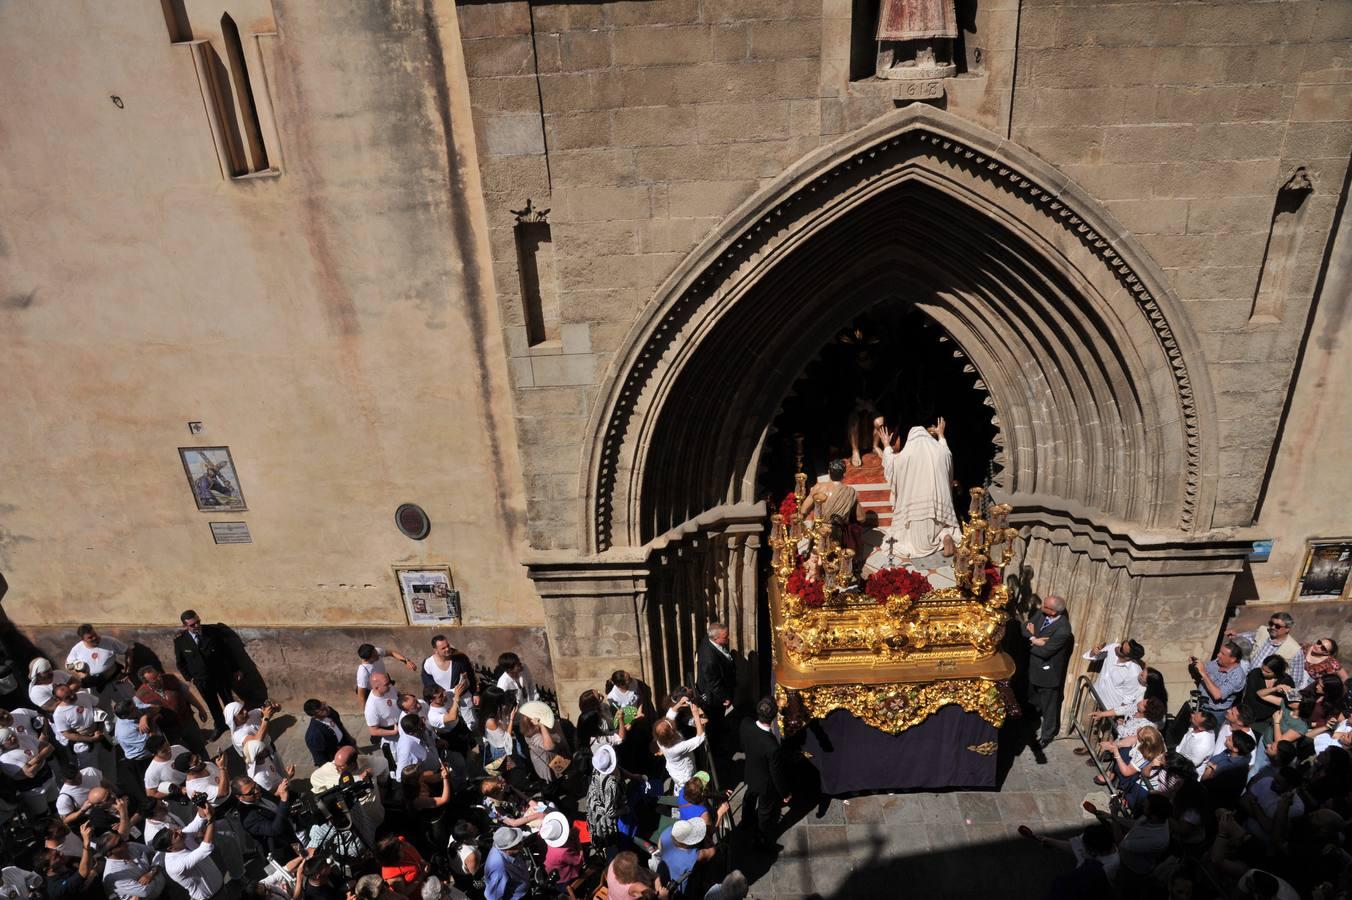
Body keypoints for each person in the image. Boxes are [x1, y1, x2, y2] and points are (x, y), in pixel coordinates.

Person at [879, 421, 961, 558]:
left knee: (909, 540)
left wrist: (886, 445)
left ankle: (940, 537)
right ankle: (945, 535)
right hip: (938, 513)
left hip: (916, 520)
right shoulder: (941, 453)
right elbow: (947, 453)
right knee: (943, 528)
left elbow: (891, 464)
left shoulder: (905, 456)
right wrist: (941, 436)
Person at [172, 610, 243, 741]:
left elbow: (227, 652)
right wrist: (190, 678)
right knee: (212, 704)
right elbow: (180, 663)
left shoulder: (212, 632)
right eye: (192, 625)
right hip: (202, 680)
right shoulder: (180, 641)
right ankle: (220, 725)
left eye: (198, 622)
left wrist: (235, 669)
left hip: (220, 675)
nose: (197, 626)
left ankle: (236, 722)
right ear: (185, 626)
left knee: (228, 700)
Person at [739, 697, 789, 850]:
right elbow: (776, 773)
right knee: (765, 813)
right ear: (773, 717)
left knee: (749, 796)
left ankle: (746, 822)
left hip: (749, 772)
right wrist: (785, 793)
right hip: (765, 783)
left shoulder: (745, 724)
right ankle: (761, 839)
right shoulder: (772, 745)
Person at [1024, 594, 1072, 748]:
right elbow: (1025, 626)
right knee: (1032, 699)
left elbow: (1045, 652)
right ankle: (1030, 724)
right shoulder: (1041, 613)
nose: (1041, 607)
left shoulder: (1063, 630)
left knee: (1049, 706)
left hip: (1049, 675)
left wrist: (1031, 640)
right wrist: (1034, 639)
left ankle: (1047, 735)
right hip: (1033, 669)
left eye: (1045, 606)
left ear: (1053, 612)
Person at [134, 664, 208, 752]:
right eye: (155, 680)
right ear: (146, 683)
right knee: (183, 753)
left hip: (188, 721)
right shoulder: (140, 696)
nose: (159, 679)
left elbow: (187, 694)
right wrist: (143, 717)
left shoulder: (171, 678)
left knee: (199, 746)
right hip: (170, 730)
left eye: (158, 675)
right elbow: (139, 714)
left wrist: (201, 709)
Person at [157, 805, 223, 900]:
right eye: (176, 835)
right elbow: (206, 848)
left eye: (175, 830)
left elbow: (198, 820)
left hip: (220, 886)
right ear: (170, 847)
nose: (180, 831)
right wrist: (211, 820)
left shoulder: (182, 837)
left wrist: (201, 804)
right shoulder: (174, 866)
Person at [695, 622, 735, 777]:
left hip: (715, 687)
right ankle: (714, 752)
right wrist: (725, 698)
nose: (728, 638)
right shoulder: (709, 659)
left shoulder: (708, 639)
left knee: (718, 723)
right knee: (714, 723)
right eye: (725, 636)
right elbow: (714, 684)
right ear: (716, 638)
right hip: (713, 698)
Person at [799, 459, 861, 553]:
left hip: (818, 532)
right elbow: (861, 518)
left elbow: (803, 510)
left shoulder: (818, 487)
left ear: (829, 472)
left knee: (816, 560)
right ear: (844, 474)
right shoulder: (851, 492)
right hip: (837, 535)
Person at [422, 636, 478, 730]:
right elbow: (429, 686)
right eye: (443, 648)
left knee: (472, 723)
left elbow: (471, 675)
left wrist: (475, 693)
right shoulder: (428, 664)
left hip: (464, 696)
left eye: (447, 645)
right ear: (435, 650)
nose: (447, 649)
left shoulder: (460, 658)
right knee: (454, 723)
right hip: (445, 701)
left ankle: (480, 741)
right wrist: (438, 700)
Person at [0, 724, 56, 816]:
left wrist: (34, 761)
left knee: (56, 806)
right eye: (8, 739)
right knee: (43, 815)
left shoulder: (24, 738)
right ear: (3, 744)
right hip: (33, 791)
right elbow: (30, 773)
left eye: (12, 735)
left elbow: (49, 747)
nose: (13, 738)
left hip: (49, 778)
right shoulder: (5, 758)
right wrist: (42, 755)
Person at [233, 775, 296, 857]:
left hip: (291, 837)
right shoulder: (248, 818)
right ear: (239, 797)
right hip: (280, 852)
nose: (256, 791)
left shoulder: (258, 790)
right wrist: (283, 801)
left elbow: (273, 801)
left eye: (255, 785)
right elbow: (275, 830)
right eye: (251, 792)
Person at [65, 624, 130, 697]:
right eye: (90, 637)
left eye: (94, 634)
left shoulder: (109, 641)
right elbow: (68, 665)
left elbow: (128, 651)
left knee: (130, 702)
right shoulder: (77, 649)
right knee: (102, 707)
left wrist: (127, 671)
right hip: (94, 686)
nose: (94, 638)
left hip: (116, 680)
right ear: (83, 639)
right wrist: (79, 674)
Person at [655, 697, 706, 788]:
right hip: (685, 774)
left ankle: (678, 792)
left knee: (679, 787)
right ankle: (689, 799)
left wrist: (679, 704)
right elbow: (700, 738)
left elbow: (669, 716)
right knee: (689, 790)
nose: (670, 721)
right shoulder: (677, 748)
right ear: (672, 732)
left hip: (675, 770)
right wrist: (696, 716)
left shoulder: (661, 739)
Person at [1227, 612, 1300, 672]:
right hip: (1248, 673)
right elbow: (1249, 635)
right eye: (1271, 623)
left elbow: (1296, 677)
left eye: (1277, 626)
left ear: (1287, 629)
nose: (1272, 627)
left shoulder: (1295, 650)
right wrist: (1235, 636)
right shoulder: (1264, 630)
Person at [657, 817, 714, 891]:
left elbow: (659, 846)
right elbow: (712, 851)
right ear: (688, 843)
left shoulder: (667, 832)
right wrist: (703, 834)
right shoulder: (693, 856)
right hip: (682, 889)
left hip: (667, 878)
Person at [302, 698, 356, 766]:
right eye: (321, 711)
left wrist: (349, 738)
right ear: (314, 716)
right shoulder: (313, 736)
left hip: (345, 744)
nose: (326, 710)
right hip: (335, 757)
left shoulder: (328, 710)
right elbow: (320, 760)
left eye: (323, 706)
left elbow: (339, 725)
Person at [482, 827, 530, 900]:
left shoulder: (500, 845)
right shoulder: (500, 869)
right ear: (507, 849)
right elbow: (492, 897)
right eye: (518, 843)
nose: (522, 844)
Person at [539, 811, 584, 887]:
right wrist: (577, 839)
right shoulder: (563, 852)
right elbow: (579, 860)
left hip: (551, 869)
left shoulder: (547, 836)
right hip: (564, 878)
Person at [365, 672, 403, 761]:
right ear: (376, 687)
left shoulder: (390, 688)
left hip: (402, 725)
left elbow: (398, 695)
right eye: (386, 684)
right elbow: (373, 731)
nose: (390, 685)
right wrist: (394, 732)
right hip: (392, 737)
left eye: (389, 682)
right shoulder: (371, 707)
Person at [1177, 709, 1219, 774]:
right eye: (1195, 713)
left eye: (1194, 718)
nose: (1192, 715)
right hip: (1178, 757)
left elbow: (1190, 764)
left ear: (1201, 728)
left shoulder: (1202, 746)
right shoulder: (1197, 727)